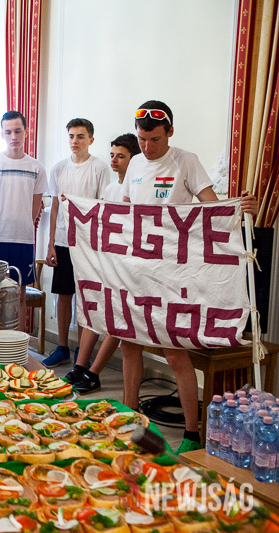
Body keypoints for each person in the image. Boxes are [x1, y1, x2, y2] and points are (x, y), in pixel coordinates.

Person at [119, 100, 257, 452]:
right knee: (129, 344)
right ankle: (131, 420)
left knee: (174, 352)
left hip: (171, 272)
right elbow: (124, 213)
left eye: (154, 139)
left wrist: (239, 208)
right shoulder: (135, 163)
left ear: (170, 132)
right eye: (142, 139)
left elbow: (212, 207)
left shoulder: (185, 161)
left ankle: (192, 433)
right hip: (136, 269)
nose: (147, 147)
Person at [63, 133, 141, 393]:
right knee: (95, 311)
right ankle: (79, 366)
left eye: (121, 156)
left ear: (133, 159)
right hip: (108, 259)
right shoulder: (109, 189)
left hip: (129, 262)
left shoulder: (137, 187)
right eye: (112, 155)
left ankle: (94, 372)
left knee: (118, 317)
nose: (114, 160)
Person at [43, 118, 109, 367]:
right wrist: (50, 243)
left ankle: (83, 352)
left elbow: (103, 208)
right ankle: (62, 347)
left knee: (84, 297)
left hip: (88, 243)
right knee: (63, 294)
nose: (75, 141)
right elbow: (54, 207)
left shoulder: (99, 168)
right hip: (63, 241)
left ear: (90, 139)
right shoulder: (58, 169)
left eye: (80, 136)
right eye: (71, 136)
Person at [0, 110, 47, 326]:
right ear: (2, 134)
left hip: (23, 241)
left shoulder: (36, 167)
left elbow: (35, 207)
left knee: (18, 296)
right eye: (8, 132)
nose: (13, 136)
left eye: (18, 131)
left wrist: (22, 226)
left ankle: (18, 341)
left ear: (26, 132)